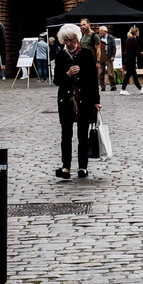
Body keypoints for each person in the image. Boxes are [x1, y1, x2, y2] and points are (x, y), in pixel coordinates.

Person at [52, 24, 101, 180]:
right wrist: (68, 73)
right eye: (65, 41)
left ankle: (82, 167)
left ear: (76, 39)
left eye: (71, 40)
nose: (68, 43)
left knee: (82, 135)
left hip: (84, 100)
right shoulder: (60, 57)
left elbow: (94, 79)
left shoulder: (86, 54)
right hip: (66, 100)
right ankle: (66, 166)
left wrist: (96, 101)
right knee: (66, 134)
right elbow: (56, 80)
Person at [119, 25, 143, 94]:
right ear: (136, 32)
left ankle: (140, 89)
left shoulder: (128, 40)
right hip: (131, 60)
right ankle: (123, 89)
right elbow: (136, 50)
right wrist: (141, 53)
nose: (139, 33)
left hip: (128, 59)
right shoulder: (134, 40)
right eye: (138, 31)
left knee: (133, 75)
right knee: (128, 76)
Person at [96, 25, 119, 91]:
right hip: (101, 57)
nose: (99, 32)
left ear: (105, 31)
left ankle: (113, 85)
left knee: (110, 73)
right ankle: (102, 86)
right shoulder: (98, 38)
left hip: (108, 57)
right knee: (101, 73)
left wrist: (113, 56)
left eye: (100, 31)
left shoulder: (110, 38)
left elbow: (114, 47)